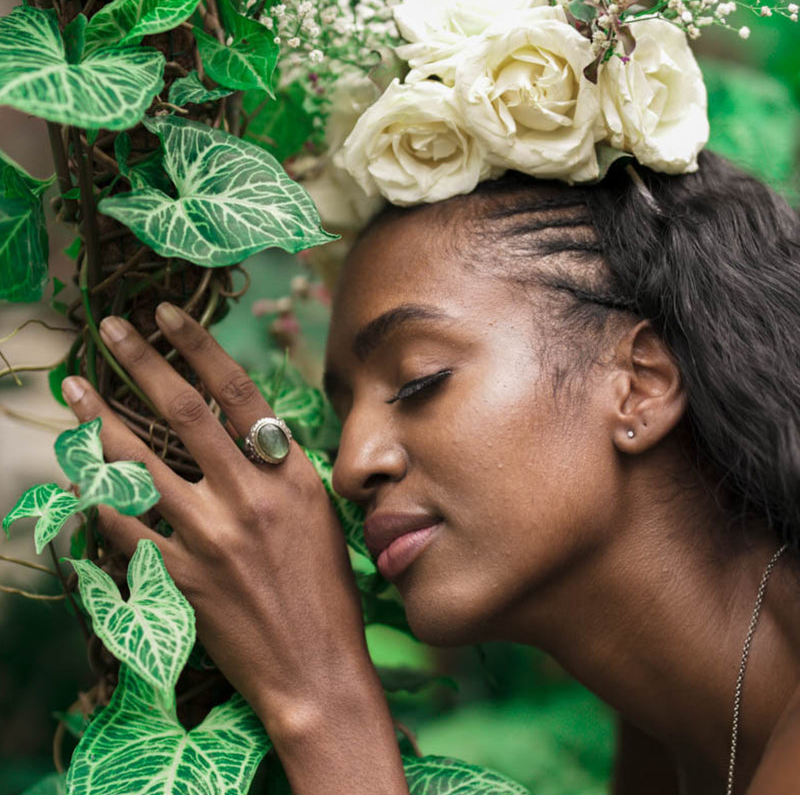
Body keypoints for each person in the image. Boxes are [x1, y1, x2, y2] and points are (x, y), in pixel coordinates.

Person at [58, 149, 800, 794]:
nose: (351, 465)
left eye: (418, 381)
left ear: (640, 382)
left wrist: (320, 699)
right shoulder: (674, 729)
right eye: (344, 414)